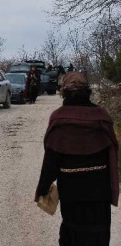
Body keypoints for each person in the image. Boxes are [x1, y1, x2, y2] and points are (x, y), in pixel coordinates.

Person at [35, 71, 119, 246]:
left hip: (72, 193)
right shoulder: (101, 116)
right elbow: (113, 154)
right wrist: (113, 187)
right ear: (87, 91)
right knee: (99, 234)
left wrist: (42, 189)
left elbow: (51, 160)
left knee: (72, 233)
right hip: (99, 192)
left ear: (64, 92)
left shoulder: (58, 118)